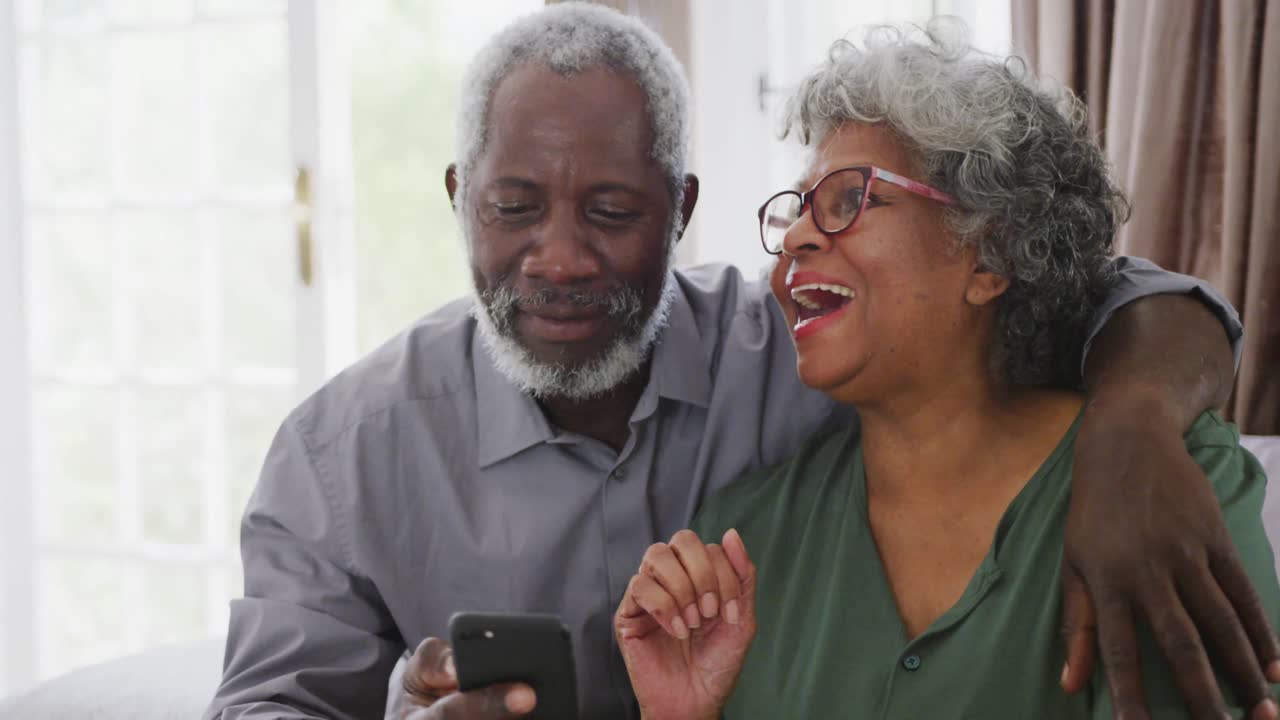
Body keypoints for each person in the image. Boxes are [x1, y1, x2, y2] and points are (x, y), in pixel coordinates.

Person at [204, 5, 1272, 720]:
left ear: (680, 212)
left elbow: (1101, 280)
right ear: (458, 200)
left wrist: (1132, 422)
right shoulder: (345, 453)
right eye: (512, 208)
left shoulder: (793, 359)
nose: (560, 258)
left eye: (613, 211)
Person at [614, 22, 1280, 720]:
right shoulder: (740, 544)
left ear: (989, 255)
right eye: (798, 211)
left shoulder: (1167, 488)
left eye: (851, 200)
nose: (798, 239)